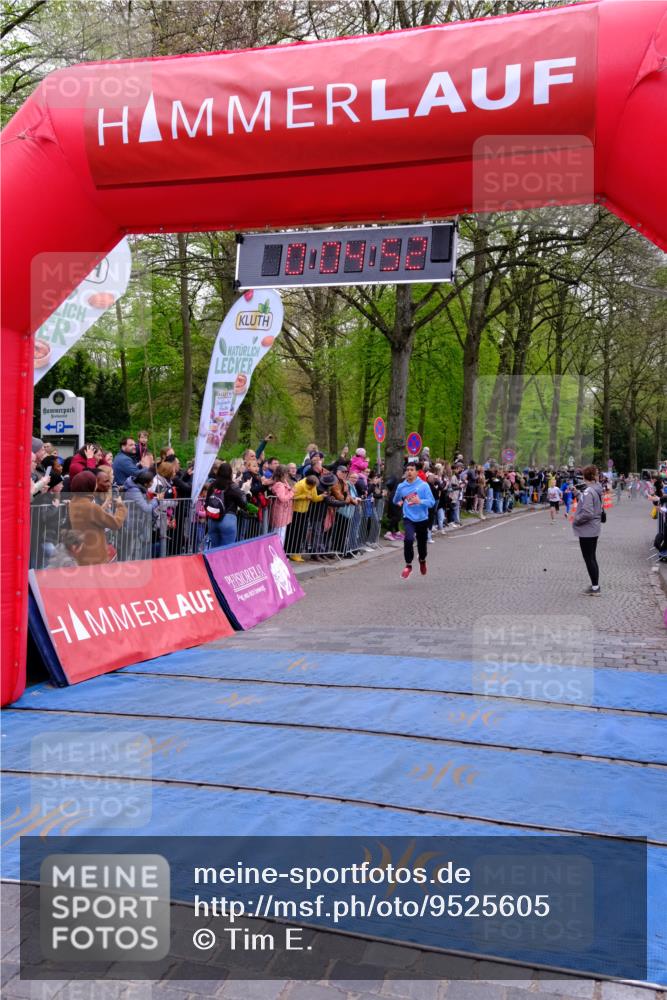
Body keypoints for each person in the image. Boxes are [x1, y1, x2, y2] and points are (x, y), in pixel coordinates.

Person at [67, 470, 127, 564]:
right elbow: (116, 524)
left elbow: (91, 519)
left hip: (81, 555)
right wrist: (121, 507)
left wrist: (103, 506)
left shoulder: (73, 503)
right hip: (96, 556)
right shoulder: (91, 507)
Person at [393, 462, 436, 579]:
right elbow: (395, 500)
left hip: (422, 518)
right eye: (407, 470)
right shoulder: (401, 486)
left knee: (422, 545)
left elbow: (432, 503)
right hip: (409, 518)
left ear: (417, 472)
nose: (409, 472)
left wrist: (420, 501)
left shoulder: (424, 485)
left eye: (412, 470)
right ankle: (408, 565)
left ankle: (422, 560)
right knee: (408, 539)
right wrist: (399, 501)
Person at [572, 465, 604, 595]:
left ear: (585, 476)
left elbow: (587, 513)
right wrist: (577, 494)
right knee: (592, 557)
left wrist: (576, 519)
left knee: (589, 558)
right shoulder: (596, 489)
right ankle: (595, 586)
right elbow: (588, 503)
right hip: (594, 527)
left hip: (587, 529)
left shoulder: (588, 491)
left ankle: (595, 587)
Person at [205, 462, 248, 548]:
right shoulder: (233, 486)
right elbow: (243, 503)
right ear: (230, 473)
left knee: (214, 549)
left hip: (213, 519)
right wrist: (245, 491)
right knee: (226, 551)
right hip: (228, 519)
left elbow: (207, 502)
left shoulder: (212, 486)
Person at [269, 465, 295, 546]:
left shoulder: (283, 483)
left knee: (281, 534)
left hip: (283, 512)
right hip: (280, 513)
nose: (287, 475)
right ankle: (278, 554)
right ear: (283, 474)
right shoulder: (279, 485)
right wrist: (292, 492)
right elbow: (282, 498)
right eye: (286, 473)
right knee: (279, 534)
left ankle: (279, 553)